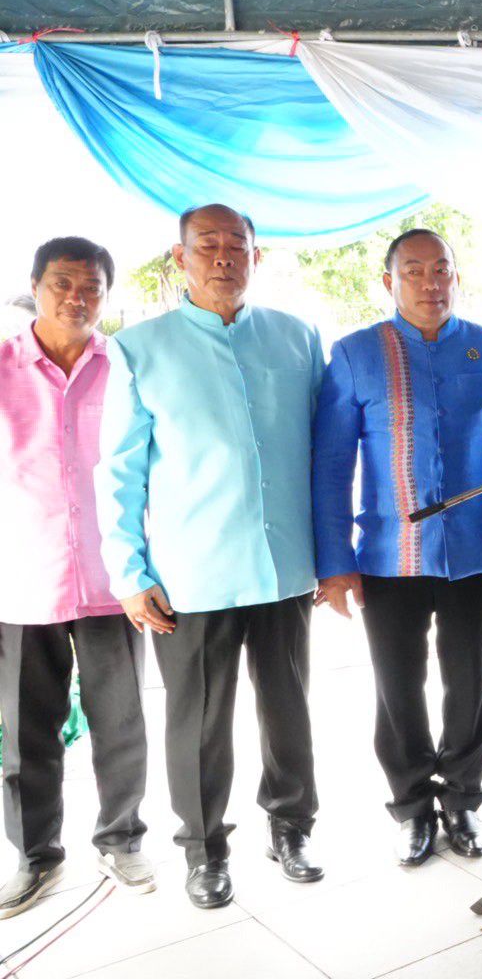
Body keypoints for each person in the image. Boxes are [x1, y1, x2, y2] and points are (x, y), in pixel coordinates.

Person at [97, 204, 325, 909]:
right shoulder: (140, 347)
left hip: (285, 566)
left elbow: (327, 449)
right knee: (196, 722)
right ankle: (204, 850)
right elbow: (118, 472)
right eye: (208, 245)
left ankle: (291, 827)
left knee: (288, 707)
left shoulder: (297, 337)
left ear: (259, 254)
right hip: (190, 575)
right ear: (180, 258)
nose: (224, 256)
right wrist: (130, 576)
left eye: (238, 244)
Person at [313, 229, 482, 866]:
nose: (431, 283)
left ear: (457, 278)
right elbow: (332, 464)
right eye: (415, 272)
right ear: (390, 282)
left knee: (470, 683)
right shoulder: (356, 353)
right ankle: (411, 807)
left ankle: (463, 800)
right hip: (388, 557)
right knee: (398, 686)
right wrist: (335, 563)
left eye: (442, 270)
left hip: (474, 554)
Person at [0, 238, 151, 919]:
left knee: (122, 721)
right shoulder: (3, 368)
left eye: (91, 287)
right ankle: (37, 855)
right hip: (21, 576)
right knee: (26, 727)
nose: (77, 298)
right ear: (36, 286)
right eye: (63, 283)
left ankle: (121, 838)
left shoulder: (125, 365)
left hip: (113, 576)